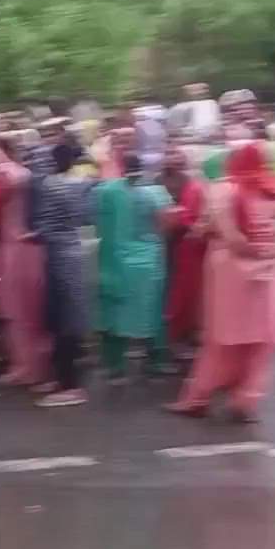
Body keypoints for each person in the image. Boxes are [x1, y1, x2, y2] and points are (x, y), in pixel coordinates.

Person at [165, 142, 275, 423]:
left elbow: (228, 235)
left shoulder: (223, 190)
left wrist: (205, 231)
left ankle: (198, 398)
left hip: (231, 272)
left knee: (221, 339)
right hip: (272, 272)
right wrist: (272, 251)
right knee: (261, 341)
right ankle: (246, 401)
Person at [95, 152, 173, 382]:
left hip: (115, 260)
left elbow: (97, 223)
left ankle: (114, 366)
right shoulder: (156, 192)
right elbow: (166, 223)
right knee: (152, 310)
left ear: (119, 167)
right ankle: (156, 361)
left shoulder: (107, 191)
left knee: (115, 311)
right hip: (150, 261)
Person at [31, 140, 97, 408]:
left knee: (64, 323)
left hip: (59, 256)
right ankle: (62, 380)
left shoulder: (50, 184)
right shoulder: (81, 183)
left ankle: (71, 386)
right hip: (72, 251)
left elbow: (43, 224)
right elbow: (85, 216)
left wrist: (34, 234)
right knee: (65, 321)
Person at [0, 135, 49, 389]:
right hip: (30, 246)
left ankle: (25, 367)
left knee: (17, 310)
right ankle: (36, 365)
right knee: (33, 308)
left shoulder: (5, 176)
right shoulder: (25, 174)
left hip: (14, 247)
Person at [162, 145, 208, 351]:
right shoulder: (160, 181)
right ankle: (179, 333)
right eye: (171, 155)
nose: (175, 160)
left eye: (178, 157)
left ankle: (185, 332)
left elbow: (188, 215)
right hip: (177, 240)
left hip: (188, 241)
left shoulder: (192, 183)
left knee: (187, 289)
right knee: (181, 288)